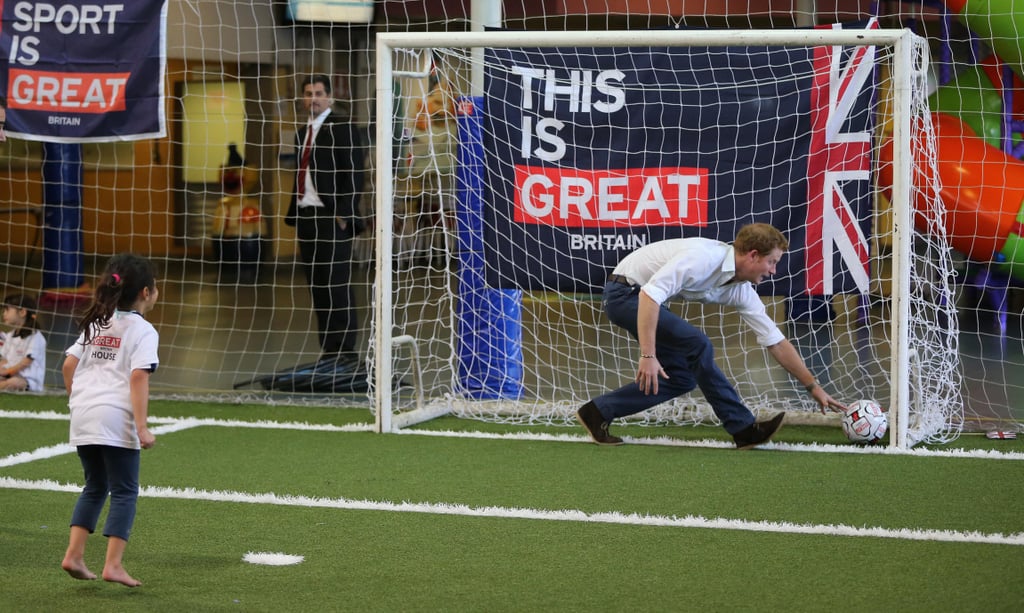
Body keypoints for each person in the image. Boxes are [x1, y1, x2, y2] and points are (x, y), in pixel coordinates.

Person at [576, 223, 845, 449]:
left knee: (682, 378)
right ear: (752, 255)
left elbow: (776, 341)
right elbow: (649, 295)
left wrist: (813, 387)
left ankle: (599, 411)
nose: (773, 270)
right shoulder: (702, 258)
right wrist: (648, 355)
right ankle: (742, 428)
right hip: (625, 295)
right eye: (771, 262)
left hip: (648, 302)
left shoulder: (741, 289)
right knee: (698, 344)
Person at [61, 254, 160, 587]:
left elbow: (68, 366)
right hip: (116, 418)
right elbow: (138, 377)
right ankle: (113, 565)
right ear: (146, 292)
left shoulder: (96, 321)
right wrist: (142, 427)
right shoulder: (143, 330)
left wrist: (77, 399)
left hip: (84, 414)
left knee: (94, 486)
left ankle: (74, 555)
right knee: (124, 491)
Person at [284, 74, 366, 364]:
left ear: (330, 96)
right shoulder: (301, 133)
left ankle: (345, 351)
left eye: (319, 93)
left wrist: (344, 214)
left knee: (336, 283)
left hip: (332, 218)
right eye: (308, 93)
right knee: (317, 285)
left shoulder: (342, 128)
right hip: (306, 217)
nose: (313, 98)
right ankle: (329, 349)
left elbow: (355, 173)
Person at [0, 294, 46, 391]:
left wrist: (8, 372)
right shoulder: (9, 336)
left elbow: (26, 362)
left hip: (28, 381)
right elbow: (5, 360)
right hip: (10, 375)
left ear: (22, 312)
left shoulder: (35, 337)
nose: (4, 314)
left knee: (14, 383)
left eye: (7, 310)